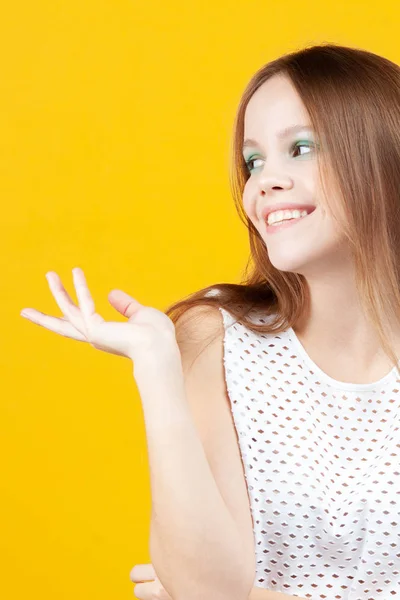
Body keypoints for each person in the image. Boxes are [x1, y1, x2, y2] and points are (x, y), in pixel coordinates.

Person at [20, 42, 400, 600]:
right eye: (254, 161)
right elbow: (206, 588)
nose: (264, 181)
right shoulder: (218, 339)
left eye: (300, 148)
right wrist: (157, 369)